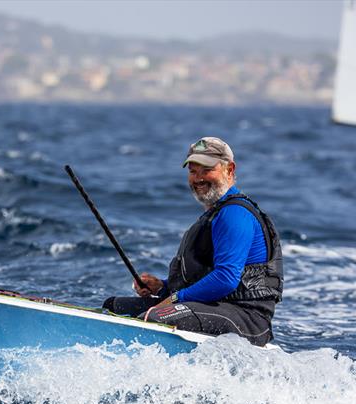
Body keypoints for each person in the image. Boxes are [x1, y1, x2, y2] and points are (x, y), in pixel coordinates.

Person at [102, 136, 283, 346]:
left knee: (156, 318)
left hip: (248, 319)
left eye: (206, 170)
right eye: (192, 171)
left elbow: (226, 279)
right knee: (113, 307)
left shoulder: (234, 214)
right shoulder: (216, 214)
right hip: (217, 307)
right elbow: (206, 278)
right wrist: (162, 287)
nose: (198, 179)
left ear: (230, 169)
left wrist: (174, 299)